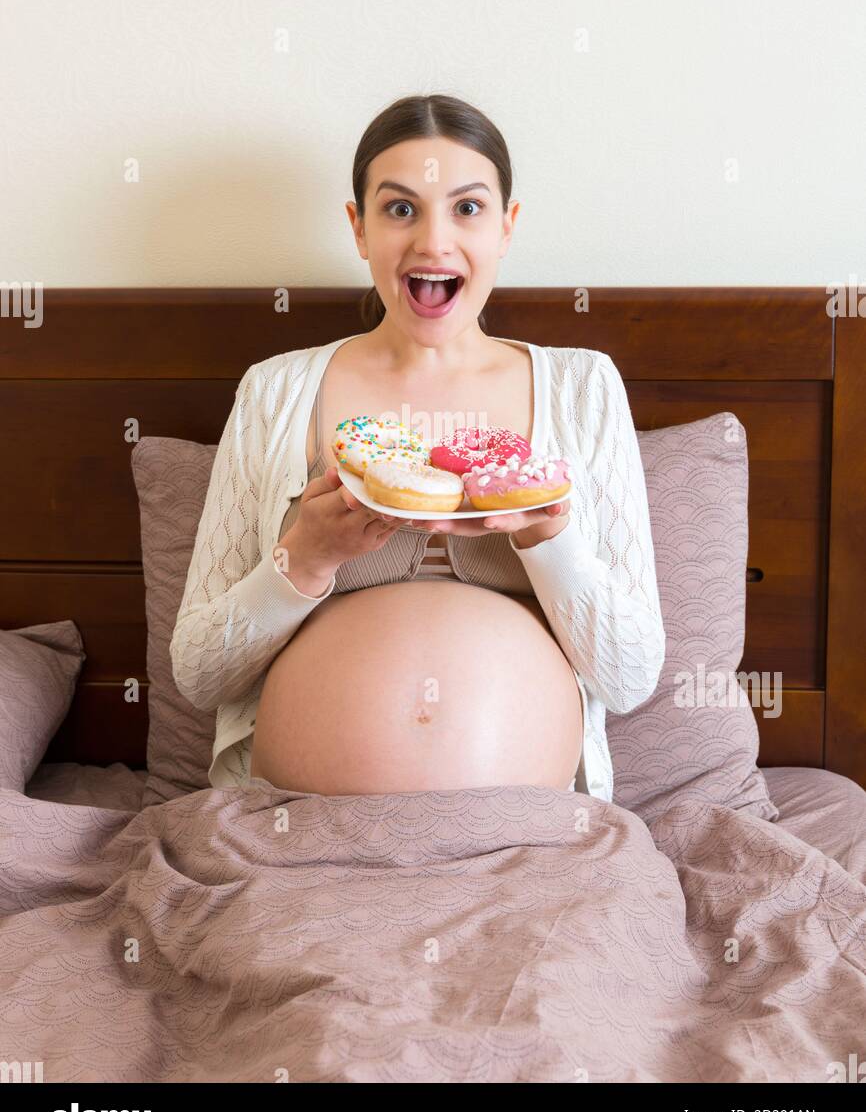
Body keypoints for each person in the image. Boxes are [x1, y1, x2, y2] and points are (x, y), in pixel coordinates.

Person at [170, 93, 666, 800]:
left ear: (507, 227)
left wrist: (549, 539)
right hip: (298, 832)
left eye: (467, 208)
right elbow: (200, 674)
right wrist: (302, 559)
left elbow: (629, 676)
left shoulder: (583, 387)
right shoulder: (273, 392)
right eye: (400, 208)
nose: (434, 243)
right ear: (359, 228)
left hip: (524, 846)